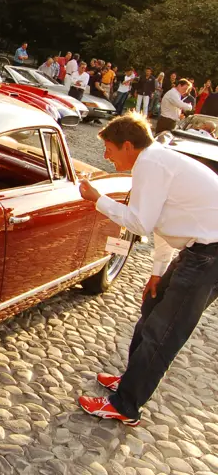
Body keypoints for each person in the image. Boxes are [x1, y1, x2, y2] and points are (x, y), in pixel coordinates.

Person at [77, 112, 218, 427]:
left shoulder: (151, 164)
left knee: (163, 333)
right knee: (152, 309)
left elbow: (141, 223)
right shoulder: (155, 161)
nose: (106, 157)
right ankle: (131, 381)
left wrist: (99, 199)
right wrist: (158, 271)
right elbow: (164, 220)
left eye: (109, 150)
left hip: (209, 256)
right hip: (200, 250)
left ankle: (126, 406)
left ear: (128, 146)